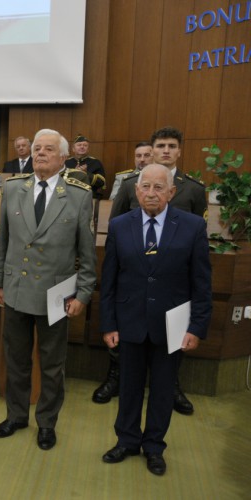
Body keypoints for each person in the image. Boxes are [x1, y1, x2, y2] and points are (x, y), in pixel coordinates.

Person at [100, 164, 211, 476]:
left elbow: (202, 283)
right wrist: (108, 323)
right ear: (136, 191)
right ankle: (127, 440)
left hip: (172, 324)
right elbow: (109, 280)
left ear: (171, 192)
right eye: (145, 187)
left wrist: (196, 327)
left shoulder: (191, 226)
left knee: (163, 390)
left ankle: (154, 447)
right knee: (129, 386)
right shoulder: (121, 225)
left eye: (158, 187)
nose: (151, 193)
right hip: (129, 320)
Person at [0, 129, 96, 450]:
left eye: (48, 149)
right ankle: (17, 415)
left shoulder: (78, 194)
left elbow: (87, 253)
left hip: (56, 293)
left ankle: (47, 423)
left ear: (63, 157)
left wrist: (83, 293)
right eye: (37, 149)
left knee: (52, 365)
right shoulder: (12, 188)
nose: (40, 154)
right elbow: (3, 240)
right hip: (17, 287)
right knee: (16, 359)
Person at [101, 126, 207, 415]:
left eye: (172, 146)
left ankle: (171, 393)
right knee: (129, 379)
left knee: (163, 380)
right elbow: (117, 231)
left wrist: (196, 323)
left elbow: (198, 262)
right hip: (132, 299)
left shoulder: (193, 190)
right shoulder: (131, 185)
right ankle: (116, 385)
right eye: (161, 145)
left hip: (170, 302)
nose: (151, 193)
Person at [64, 134, 106, 198]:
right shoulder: (66, 162)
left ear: (88, 149)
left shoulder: (95, 162)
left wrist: (86, 174)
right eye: (79, 145)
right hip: (69, 196)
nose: (82, 147)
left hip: (89, 196)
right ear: (73, 149)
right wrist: (74, 173)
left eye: (85, 145)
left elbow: (101, 183)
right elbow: (59, 180)